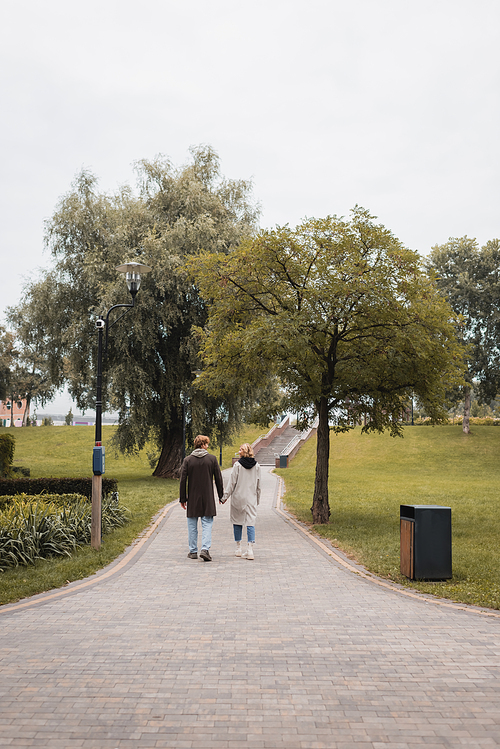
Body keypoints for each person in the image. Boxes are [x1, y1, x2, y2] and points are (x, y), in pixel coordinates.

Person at [179, 434, 223, 562]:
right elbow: (218, 479)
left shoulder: (188, 460)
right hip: (207, 497)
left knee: (192, 525)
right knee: (207, 524)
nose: (208, 446)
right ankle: (205, 549)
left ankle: (193, 551)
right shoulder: (212, 459)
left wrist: (183, 499)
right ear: (203, 445)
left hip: (192, 497)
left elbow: (183, 481)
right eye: (207, 444)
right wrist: (221, 496)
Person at [221, 443, 261, 560]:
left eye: (241, 450)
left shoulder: (237, 465)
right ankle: (250, 549)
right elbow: (259, 485)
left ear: (245, 452)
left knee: (237, 521)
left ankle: (238, 548)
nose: (239, 452)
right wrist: (257, 499)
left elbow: (231, 483)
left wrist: (224, 497)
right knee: (250, 523)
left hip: (238, 497)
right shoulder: (257, 466)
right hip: (251, 498)